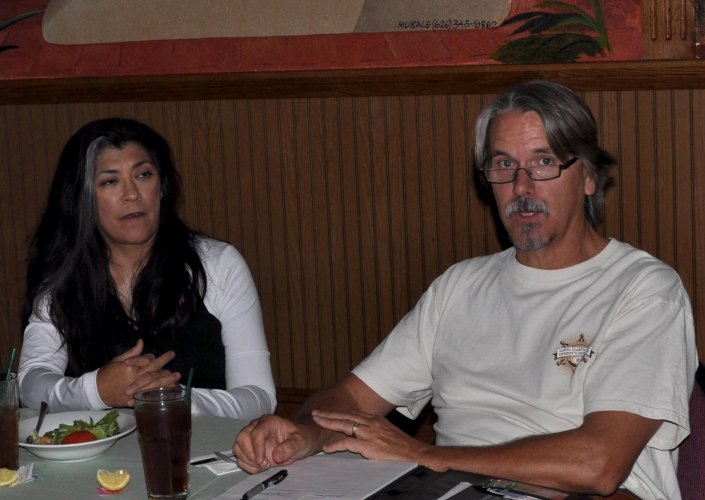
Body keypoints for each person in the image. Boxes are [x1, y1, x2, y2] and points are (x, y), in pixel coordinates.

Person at [232, 81, 697, 499]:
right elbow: (352, 399)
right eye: (504, 164)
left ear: (589, 176)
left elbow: (599, 465)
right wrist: (304, 434)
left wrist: (426, 455)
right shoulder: (460, 286)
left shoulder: (643, 289)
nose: (521, 186)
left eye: (543, 162)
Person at [18, 117, 276, 420]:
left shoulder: (217, 263)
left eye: (143, 175)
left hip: (201, 445)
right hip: (98, 450)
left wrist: (173, 398)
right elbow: (30, 385)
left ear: (162, 187)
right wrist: (96, 389)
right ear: (82, 199)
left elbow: (259, 397)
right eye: (110, 181)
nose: (132, 194)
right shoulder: (64, 275)